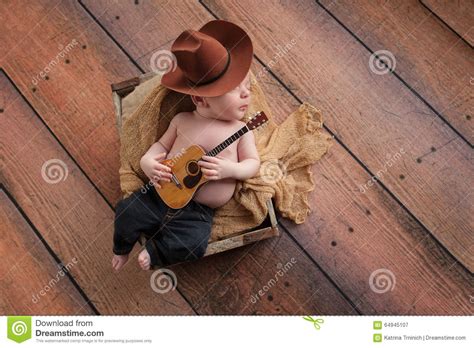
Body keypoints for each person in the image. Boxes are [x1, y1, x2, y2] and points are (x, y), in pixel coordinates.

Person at [112, 20, 260, 271]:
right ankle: (121, 248)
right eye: (236, 89)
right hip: (160, 194)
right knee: (127, 211)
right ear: (200, 99)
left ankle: (156, 251)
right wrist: (148, 163)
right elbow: (159, 146)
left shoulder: (241, 130)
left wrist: (230, 170)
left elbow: (252, 164)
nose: (247, 94)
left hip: (198, 212)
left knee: (194, 244)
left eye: (248, 86)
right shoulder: (182, 120)